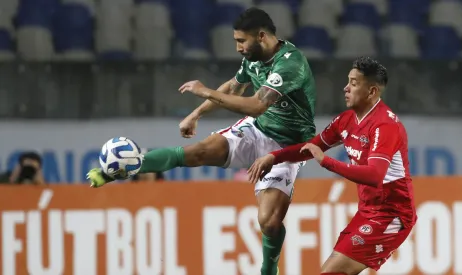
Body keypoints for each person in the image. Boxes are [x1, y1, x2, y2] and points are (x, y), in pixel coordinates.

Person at [87, 7, 317, 275]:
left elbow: (256, 105)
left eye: (241, 41)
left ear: (262, 36)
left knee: (269, 222)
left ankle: (269, 270)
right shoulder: (253, 58)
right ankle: (124, 168)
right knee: (197, 152)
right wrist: (196, 114)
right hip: (256, 130)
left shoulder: (290, 63)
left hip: (287, 148)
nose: (238, 47)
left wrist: (203, 90)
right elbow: (234, 87)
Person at [248, 57, 417, 275]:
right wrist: (274, 157)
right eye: (348, 81)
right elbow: (311, 147)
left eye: (354, 83)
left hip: (392, 214)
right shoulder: (345, 120)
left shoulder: (385, 126)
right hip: (367, 212)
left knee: (332, 272)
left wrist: (326, 162)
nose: (345, 88)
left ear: (372, 91)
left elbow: (375, 175)